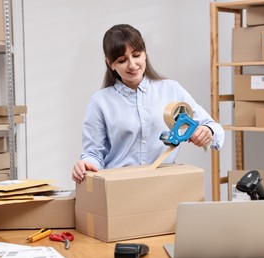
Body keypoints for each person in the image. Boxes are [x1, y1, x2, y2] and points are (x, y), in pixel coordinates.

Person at [72, 24, 224, 183]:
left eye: (136, 55)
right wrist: (86, 165)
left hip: (163, 184)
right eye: (122, 60)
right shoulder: (99, 102)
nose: (132, 65)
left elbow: (215, 129)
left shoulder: (171, 90)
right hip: (119, 187)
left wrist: (208, 131)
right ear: (110, 64)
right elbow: (93, 153)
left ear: (145, 54)